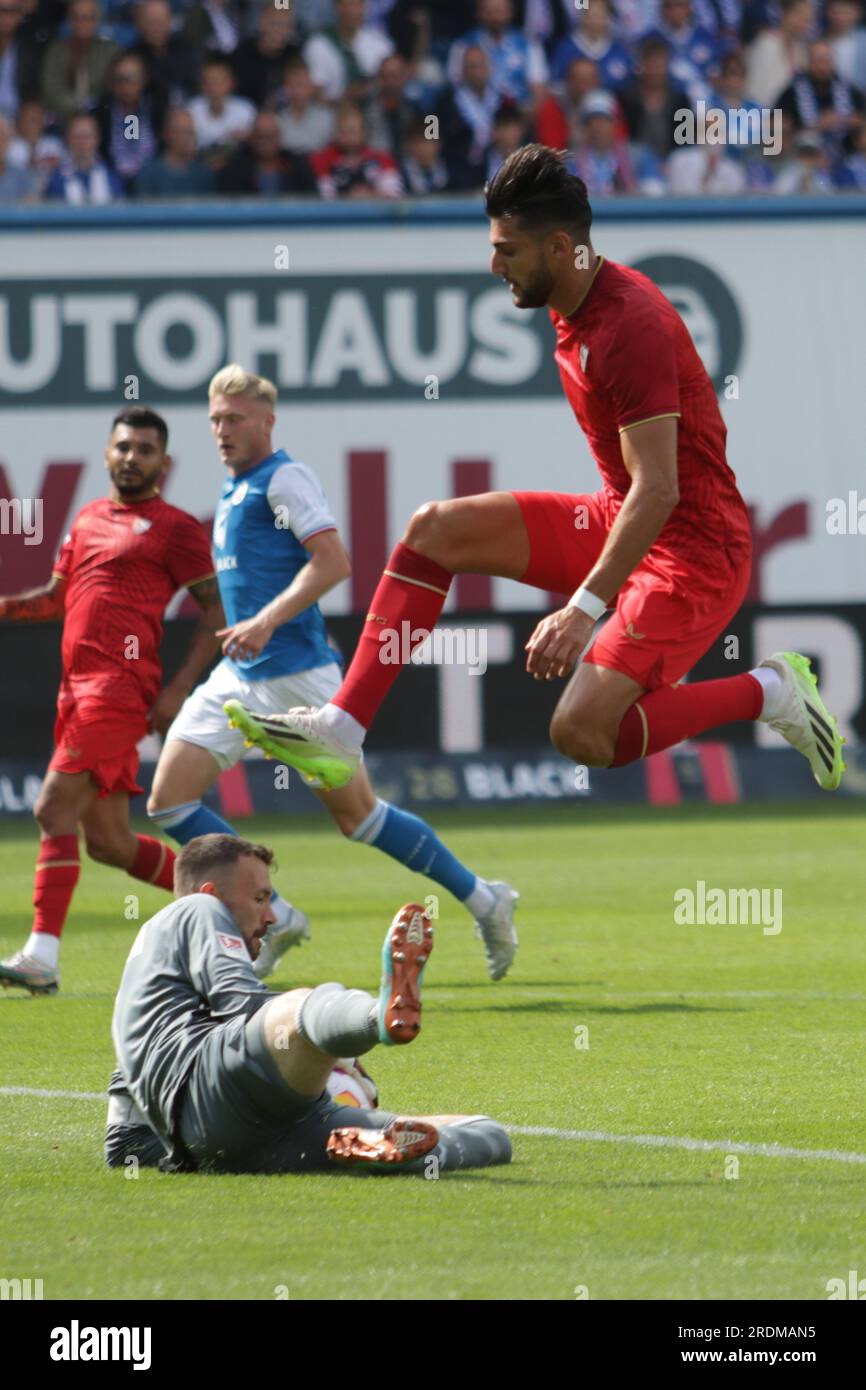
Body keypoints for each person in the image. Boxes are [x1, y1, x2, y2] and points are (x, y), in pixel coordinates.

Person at [227, 145, 845, 832]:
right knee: (434, 530)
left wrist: (583, 610)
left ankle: (769, 691)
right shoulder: (570, 300)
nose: (495, 266)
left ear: (559, 247)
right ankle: (342, 728)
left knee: (581, 733)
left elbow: (661, 487)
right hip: (624, 519)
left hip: (696, 552)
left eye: (508, 251)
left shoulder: (629, 326)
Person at [148, 365, 518, 982]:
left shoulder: (284, 479)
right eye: (214, 419)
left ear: (267, 420)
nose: (222, 430)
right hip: (239, 676)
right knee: (169, 803)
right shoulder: (232, 488)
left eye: (234, 418)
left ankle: (486, 899)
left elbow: (333, 562)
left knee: (359, 819)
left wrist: (265, 620)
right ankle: (277, 913)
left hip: (300, 677)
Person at [107, 833, 513, 1175]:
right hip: (214, 1088)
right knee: (301, 1006)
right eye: (260, 898)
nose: (270, 918)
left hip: (244, 1143)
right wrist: (337, 1053)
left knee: (489, 1135)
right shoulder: (195, 908)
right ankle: (378, 1015)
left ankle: (367, 1146)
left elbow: (121, 1141)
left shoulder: (151, 994)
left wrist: (180, 1154)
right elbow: (241, 1001)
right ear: (211, 894)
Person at [0, 407, 227, 995]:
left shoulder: (176, 528)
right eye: (124, 446)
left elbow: (216, 610)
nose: (132, 457)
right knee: (109, 843)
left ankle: (42, 955)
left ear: (164, 463)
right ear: (107, 454)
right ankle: (243, 902)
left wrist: (178, 688)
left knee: (53, 809)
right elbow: (57, 596)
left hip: (119, 688)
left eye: (146, 449)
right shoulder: (88, 517)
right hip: (74, 690)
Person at [43, 110, 124, 202]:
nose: (82, 142)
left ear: (97, 139)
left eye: (87, 136)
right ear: (68, 139)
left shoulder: (111, 178)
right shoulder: (56, 179)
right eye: (77, 136)